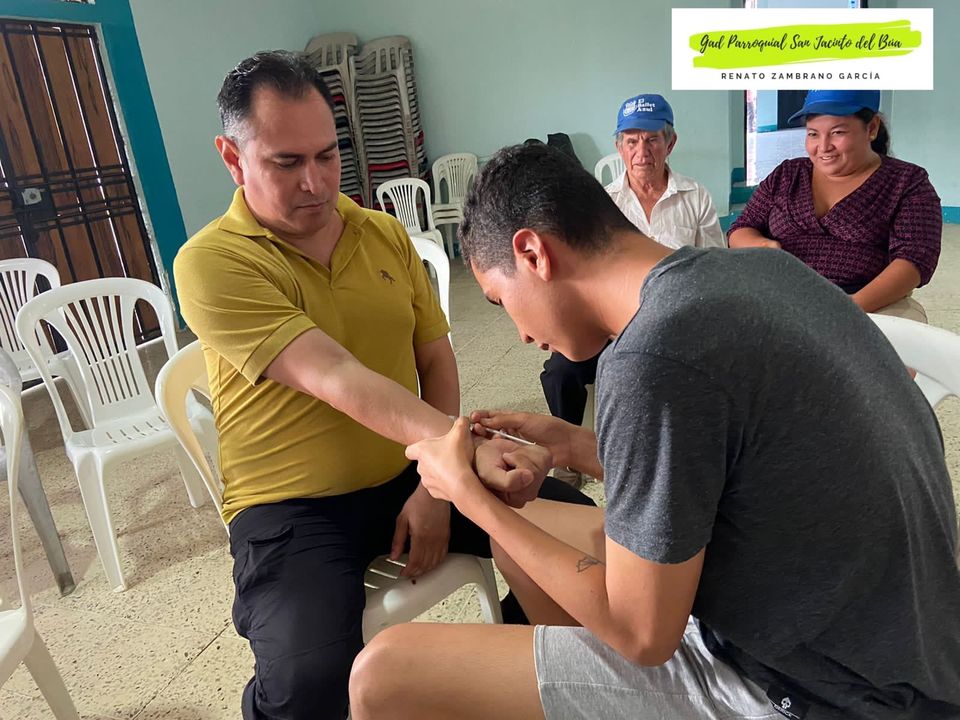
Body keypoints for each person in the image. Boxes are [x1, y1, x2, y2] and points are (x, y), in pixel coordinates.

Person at [347, 143, 960, 720]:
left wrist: (468, 497)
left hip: (818, 692)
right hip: (912, 656)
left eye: (500, 300)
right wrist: (574, 446)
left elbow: (644, 636)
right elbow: (744, 467)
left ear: (532, 254)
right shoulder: (757, 272)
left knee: (383, 672)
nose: (522, 335)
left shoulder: (651, 356)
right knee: (529, 535)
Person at [173, 52, 591, 720]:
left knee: (579, 538)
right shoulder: (212, 261)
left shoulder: (384, 234)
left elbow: (436, 360)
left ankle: (522, 665)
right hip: (292, 507)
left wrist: (435, 485)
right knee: (310, 682)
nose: (315, 182)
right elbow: (334, 375)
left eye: (327, 155)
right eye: (287, 162)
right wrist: (463, 451)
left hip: (408, 468)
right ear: (232, 157)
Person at [540, 93, 725, 482]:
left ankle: (666, 461)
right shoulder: (601, 203)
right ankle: (569, 454)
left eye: (652, 139)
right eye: (632, 141)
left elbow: (713, 269)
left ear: (670, 143)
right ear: (619, 147)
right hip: (610, 324)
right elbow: (583, 273)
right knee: (560, 370)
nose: (642, 151)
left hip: (676, 322)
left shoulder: (695, 197)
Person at [728, 89, 942, 322]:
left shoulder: (906, 182)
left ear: (872, 128)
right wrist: (763, 245)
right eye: (813, 134)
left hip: (870, 305)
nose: (823, 146)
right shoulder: (788, 174)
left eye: (837, 132)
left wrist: (848, 309)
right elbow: (741, 228)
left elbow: (915, 259)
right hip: (776, 294)